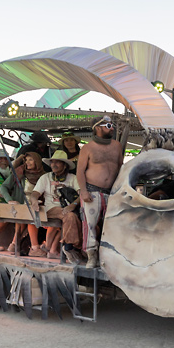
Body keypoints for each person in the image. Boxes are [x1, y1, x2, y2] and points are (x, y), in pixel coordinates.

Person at [76, 115, 124, 268]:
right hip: (92, 191)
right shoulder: (87, 148)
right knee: (89, 225)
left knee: (112, 224)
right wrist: (83, 191)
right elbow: (80, 171)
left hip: (112, 192)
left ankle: (111, 256)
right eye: (107, 125)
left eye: (111, 125)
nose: (111, 127)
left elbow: (121, 167)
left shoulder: (116, 146)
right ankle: (91, 256)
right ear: (97, 128)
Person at [30, 151, 82, 261]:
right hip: (50, 209)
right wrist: (34, 199)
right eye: (52, 162)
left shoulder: (73, 178)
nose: (53, 164)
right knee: (70, 216)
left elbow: (82, 194)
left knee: (72, 217)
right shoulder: (45, 177)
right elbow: (35, 193)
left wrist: (73, 205)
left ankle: (60, 247)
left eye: (57, 162)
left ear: (65, 165)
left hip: (69, 210)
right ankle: (70, 247)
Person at [6, 152, 47, 257]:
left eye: (30, 160)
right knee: (31, 215)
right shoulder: (20, 172)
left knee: (34, 213)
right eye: (26, 160)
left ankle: (14, 244)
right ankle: (34, 247)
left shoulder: (44, 175)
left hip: (38, 203)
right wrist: (9, 200)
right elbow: (3, 187)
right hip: (24, 204)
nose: (27, 163)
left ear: (37, 161)